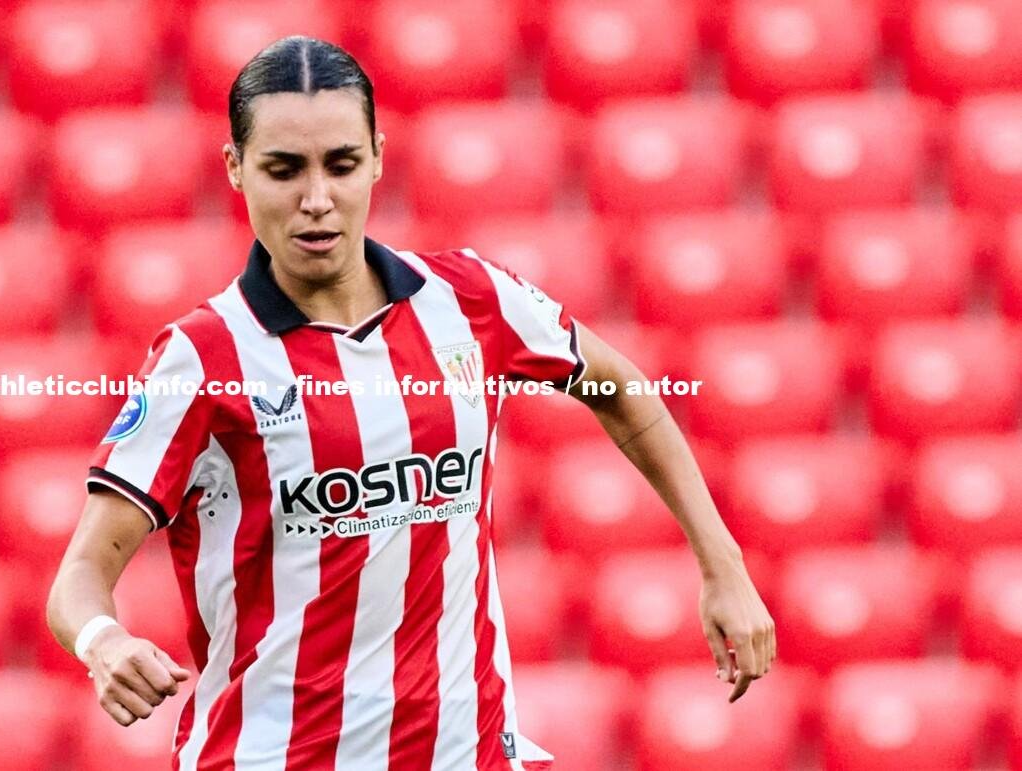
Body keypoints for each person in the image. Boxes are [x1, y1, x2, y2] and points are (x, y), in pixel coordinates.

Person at [46, 35, 775, 770]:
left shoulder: (470, 299)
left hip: (467, 752)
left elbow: (621, 388)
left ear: (378, 158)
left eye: (341, 164)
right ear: (235, 168)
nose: (317, 200)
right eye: (284, 169)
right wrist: (105, 641)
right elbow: (79, 576)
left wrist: (723, 564)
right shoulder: (203, 357)